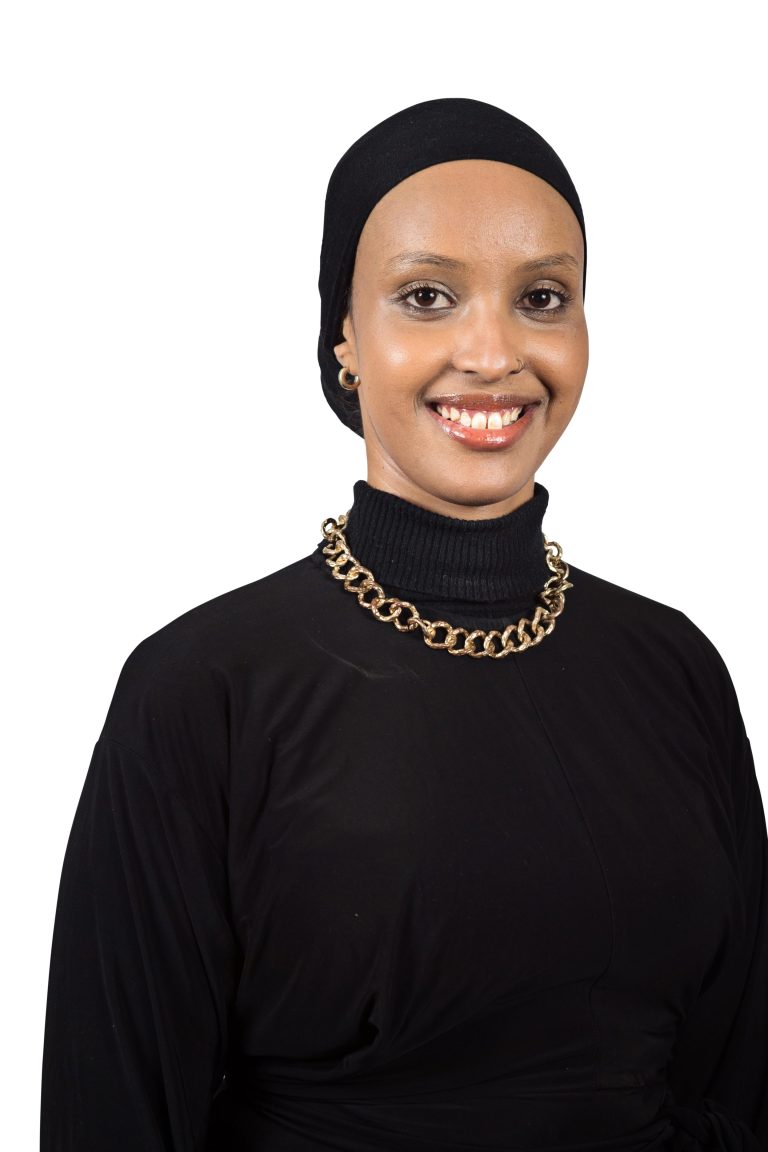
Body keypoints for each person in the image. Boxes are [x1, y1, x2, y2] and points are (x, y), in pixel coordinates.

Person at [40, 97, 767, 1152]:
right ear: (344, 338)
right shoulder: (203, 689)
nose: (492, 353)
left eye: (543, 297)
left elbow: (739, 1080)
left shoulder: (677, 671)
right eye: (426, 296)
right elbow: (117, 1113)